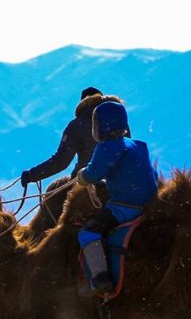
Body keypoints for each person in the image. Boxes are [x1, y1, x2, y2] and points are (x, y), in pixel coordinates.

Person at [75, 101, 158, 294]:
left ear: (100, 125)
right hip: (149, 205)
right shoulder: (138, 145)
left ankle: (100, 278)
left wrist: (82, 176)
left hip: (124, 208)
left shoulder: (108, 147)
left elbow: (93, 175)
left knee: (87, 232)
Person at [21, 87, 129, 188]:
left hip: (87, 184)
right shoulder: (120, 122)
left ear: (82, 103)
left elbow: (61, 161)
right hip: (123, 182)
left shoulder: (77, 125)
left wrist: (32, 175)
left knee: (55, 202)